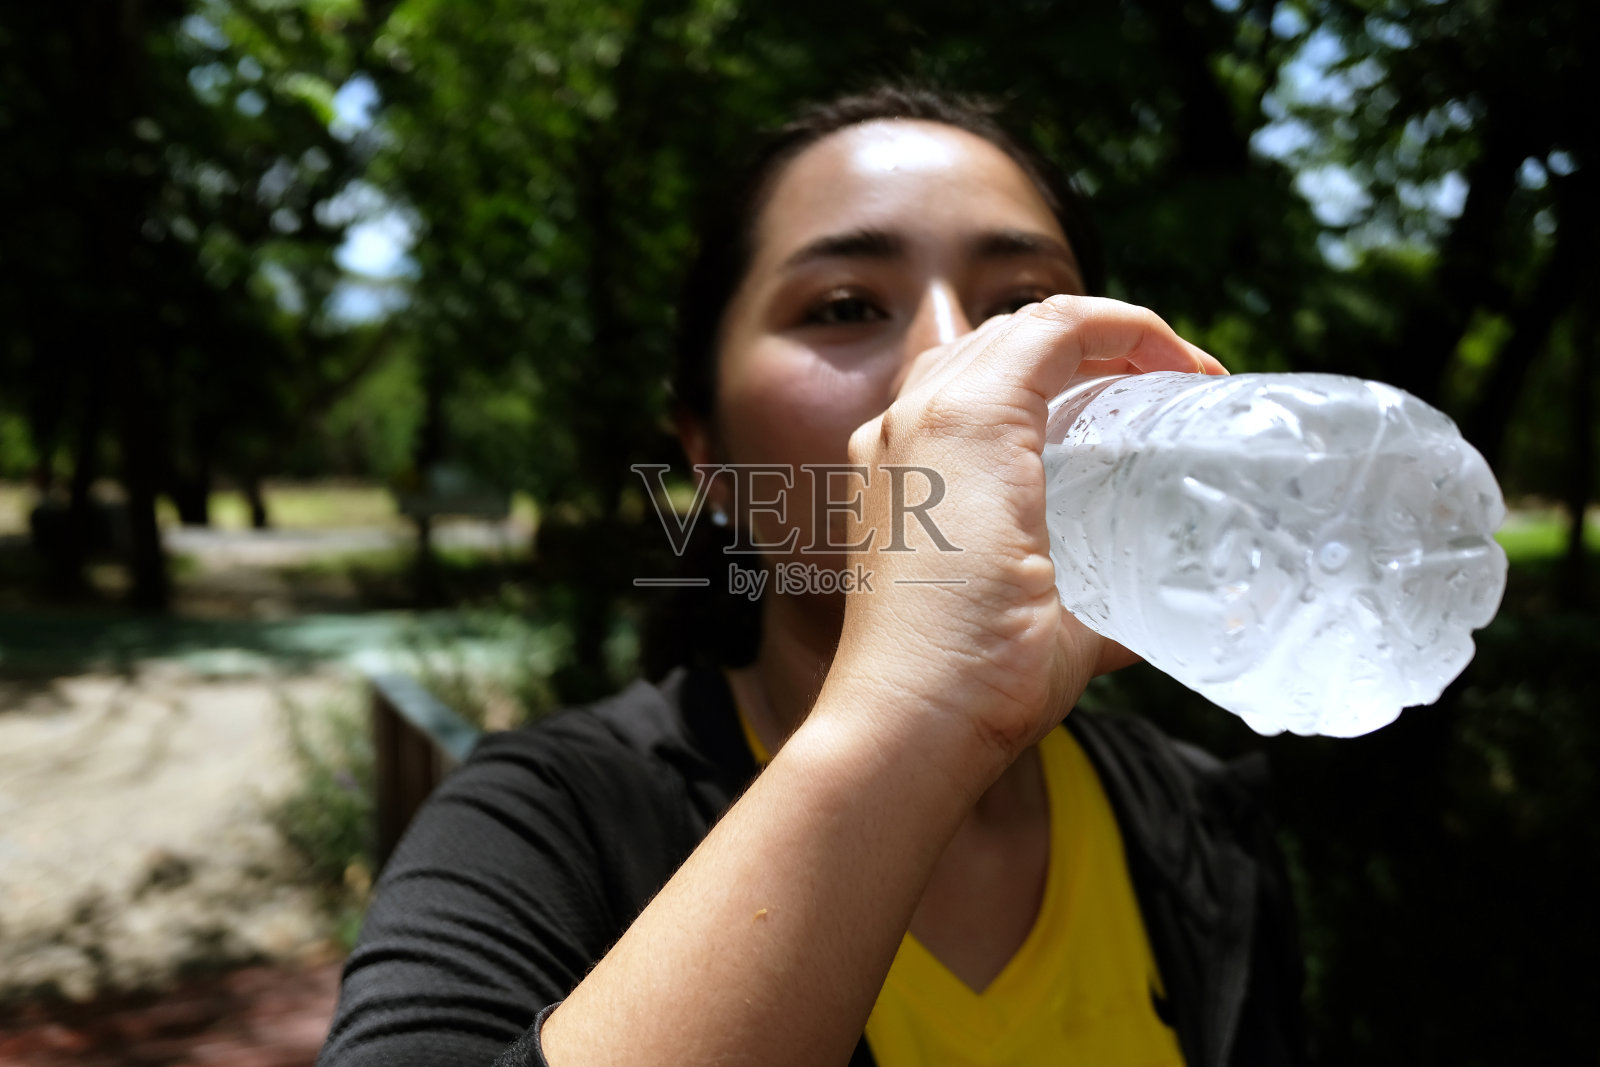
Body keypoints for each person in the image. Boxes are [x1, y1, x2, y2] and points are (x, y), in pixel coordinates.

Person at [316, 85, 1307, 1067]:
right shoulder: (552, 819)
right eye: (843, 306)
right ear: (708, 455)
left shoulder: (1199, 819)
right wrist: (911, 713)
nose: (952, 357)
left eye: (1019, 307)